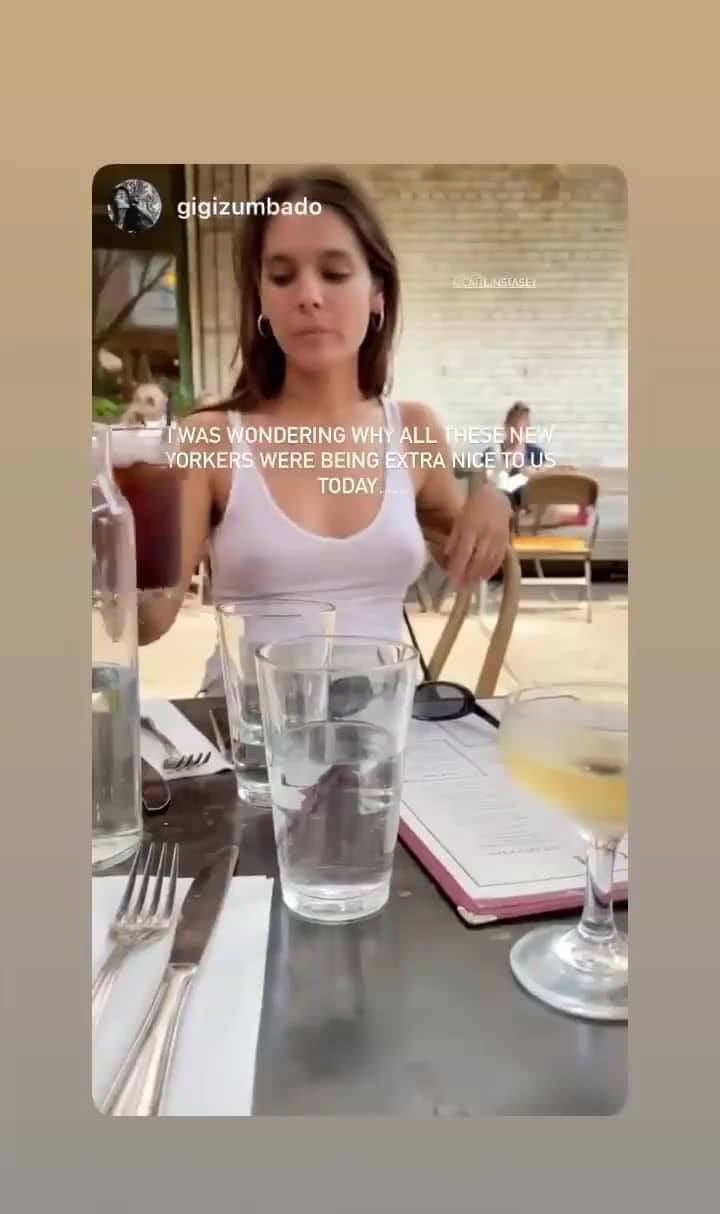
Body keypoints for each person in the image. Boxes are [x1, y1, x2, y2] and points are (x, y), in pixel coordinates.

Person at [136, 169, 512, 692]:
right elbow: (149, 621)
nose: (309, 296)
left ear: (377, 292)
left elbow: (467, 558)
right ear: (261, 299)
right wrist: (106, 535)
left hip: (382, 725)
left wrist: (494, 501)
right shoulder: (210, 438)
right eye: (282, 277)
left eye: (334, 273)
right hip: (249, 726)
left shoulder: (414, 429)